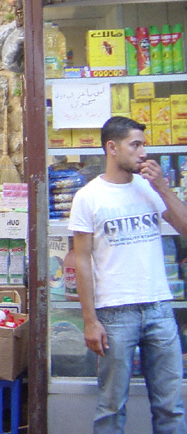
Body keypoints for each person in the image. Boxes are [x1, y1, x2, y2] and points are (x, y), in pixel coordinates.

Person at [69, 116, 187, 434]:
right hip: (114, 312)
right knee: (110, 408)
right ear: (112, 147)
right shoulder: (88, 197)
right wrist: (90, 320)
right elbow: (81, 261)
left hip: (159, 307)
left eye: (144, 145)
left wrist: (162, 186)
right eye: (135, 145)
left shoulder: (150, 189)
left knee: (171, 408)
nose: (142, 152)